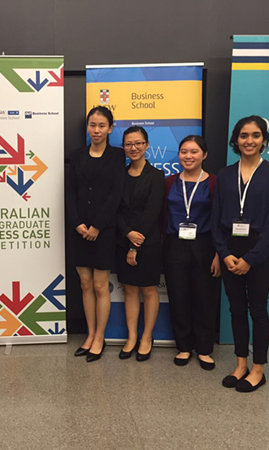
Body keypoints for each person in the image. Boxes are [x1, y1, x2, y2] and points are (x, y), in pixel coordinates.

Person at [212, 115, 269, 392]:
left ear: (264, 140)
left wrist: (251, 259)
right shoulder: (225, 175)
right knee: (236, 310)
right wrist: (223, 253)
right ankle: (241, 364)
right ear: (236, 140)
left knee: (258, 310)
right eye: (244, 135)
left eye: (255, 135)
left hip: (260, 255)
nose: (249, 140)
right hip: (230, 254)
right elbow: (216, 218)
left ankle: (258, 369)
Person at [67, 106, 125, 362]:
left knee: (101, 286)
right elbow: (70, 192)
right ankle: (90, 335)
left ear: (110, 128)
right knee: (85, 284)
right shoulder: (77, 155)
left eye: (102, 125)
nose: (96, 130)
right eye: (92, 125)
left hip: (104, 231)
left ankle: (100, 337)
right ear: (87, 127)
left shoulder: (117, 156)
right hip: (79, 230)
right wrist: (77, 223)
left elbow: (116, 194)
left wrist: (97, 226)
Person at [163, 135, 220, 369]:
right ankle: (184, 347)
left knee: (205, 297)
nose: (188, 156)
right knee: (179, 297)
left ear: (204, 155)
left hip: (205, 245)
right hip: (174, 245)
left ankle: (204, 349)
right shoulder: (169, 182)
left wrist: (218, 253)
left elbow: (221, 219)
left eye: (194, 151)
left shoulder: (215, 182)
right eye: (184, 151)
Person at [116, 126, 165, 361]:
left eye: (138, 143)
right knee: (130, 289)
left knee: (148, 289)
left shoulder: (156, 176)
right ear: (124, 147)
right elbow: (115, 209)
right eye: (128, 144)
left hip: (149, 242)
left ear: (146, 145)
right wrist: (127, 234)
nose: (133, 148)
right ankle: (132, 337)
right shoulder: (119, 176)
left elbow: (153, 212)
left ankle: (147, 337)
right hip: (123, 239)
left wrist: (135, 245)